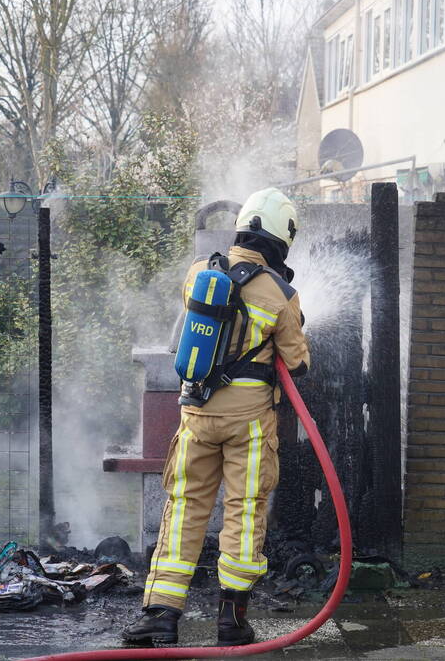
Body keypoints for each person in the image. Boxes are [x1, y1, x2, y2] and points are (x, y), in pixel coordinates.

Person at [122, 187, 310, 646]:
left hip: (196, 414)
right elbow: (299, 362)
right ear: (281, 238)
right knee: (244, 512)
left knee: (183, 508)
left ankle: (161, 616)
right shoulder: (281, 293)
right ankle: (232, 619)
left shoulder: (198, 272)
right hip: (248, 422)